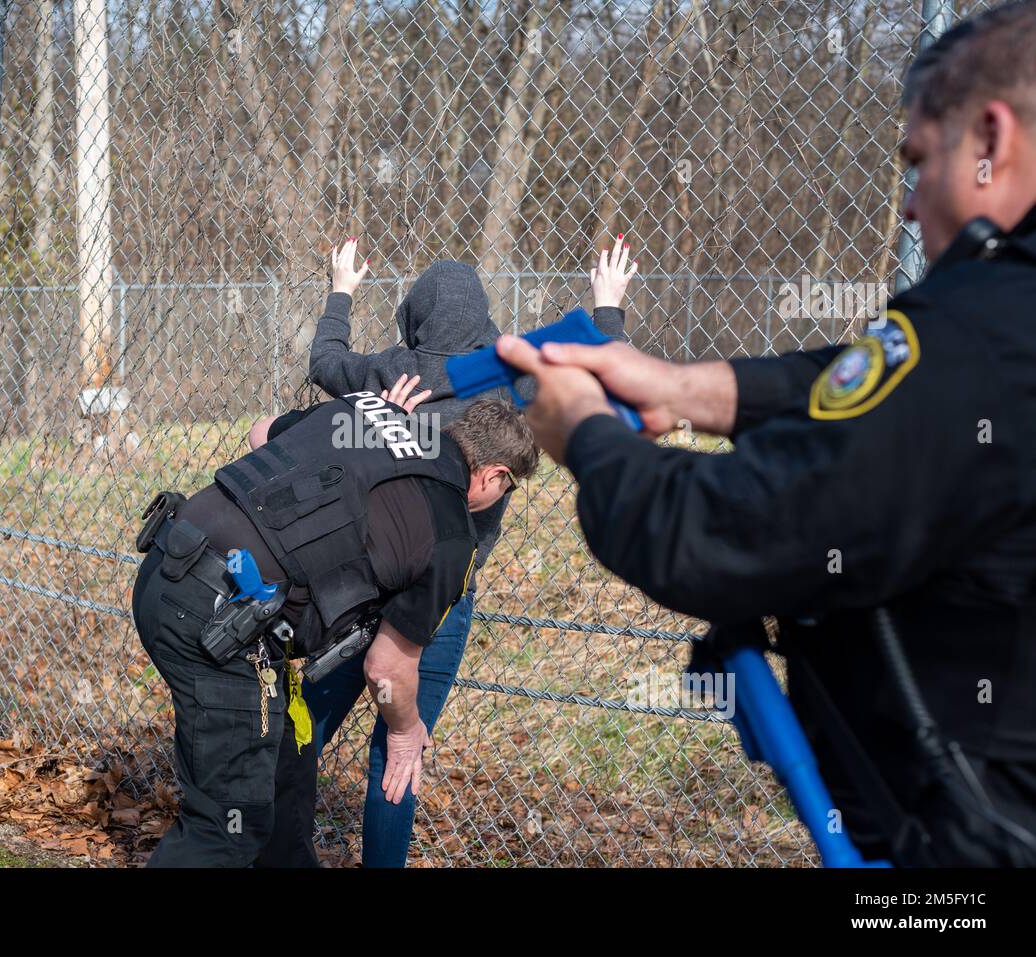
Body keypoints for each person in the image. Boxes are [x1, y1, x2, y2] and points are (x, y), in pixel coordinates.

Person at [495, 0, 1036, 866]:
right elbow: (892, 395)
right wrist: (686, 389)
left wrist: (586, 432)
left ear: (992, 139)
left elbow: (722, 532)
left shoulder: (984, 333)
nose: (907, 205)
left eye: (919, 161)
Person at [253, 235, 634, 866]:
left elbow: (325, 359)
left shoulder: (391, 371)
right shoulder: (509, 380)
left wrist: (341, 291)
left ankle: (268, 846)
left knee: (307, 721)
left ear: (414, 316)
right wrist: (608, 305)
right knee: (399, 746)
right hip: (440, 592)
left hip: (365, 580)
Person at [130, 374, 539, 867]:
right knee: (230, 824)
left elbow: (260, 433)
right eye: (509, 487)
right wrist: (405, 730)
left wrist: (372, 436)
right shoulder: (453, 536)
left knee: (287, 765)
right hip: (217, 622)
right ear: (493, 475)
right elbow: (386, 672)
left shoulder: (366, 411)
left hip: (168, 562)